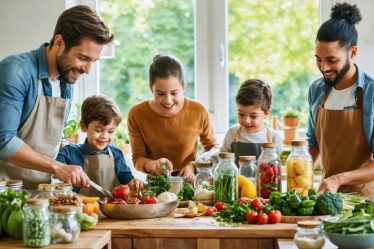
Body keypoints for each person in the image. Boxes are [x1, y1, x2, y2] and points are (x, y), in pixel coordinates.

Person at [0, 5, 114, 189]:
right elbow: (3, 141)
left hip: (39, 197)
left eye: (93, 61)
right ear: (59, 43)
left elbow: (51, 140)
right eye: (83, 58)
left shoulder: (66, 81)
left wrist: (74, 159)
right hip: (6, 195)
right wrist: (57, 167)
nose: (87, 70)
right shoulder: (16, 71)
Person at [306, 2, 374, 199]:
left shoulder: (370, 92)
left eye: (331, 60)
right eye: (318, 59)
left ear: (352, 53)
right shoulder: (317, 90)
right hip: (327, 198)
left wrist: (338, 179)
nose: (324, 67)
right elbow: (313, 144)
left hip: (365, 204)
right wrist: (300, 168)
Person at [127, 53, 219, 183]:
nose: (168, 100)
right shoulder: (137, 113)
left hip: (190, 184)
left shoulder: (198, 110)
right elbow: (138, 158)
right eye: (160, 94)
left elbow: (213, 148)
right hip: (156, 187)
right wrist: (152, 164)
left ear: (183, 87)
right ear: (151, 88)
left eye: (174, 93)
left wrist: (194, 165)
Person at [56, 95, 143, 197]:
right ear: (84, 126)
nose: (105, 136)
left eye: (110, 131)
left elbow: (127, 178)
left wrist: (133, 182)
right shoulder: (69, 152)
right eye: (98, 130)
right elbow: (55, 167)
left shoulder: (116, 154)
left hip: (110, 209)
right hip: (81, 210)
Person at [220, 79, 282, 165]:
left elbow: (276, 168)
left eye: (253, 116)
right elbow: (222, 161)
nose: (247, 121)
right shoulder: (232, 134)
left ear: (266, 113)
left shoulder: (274, 138)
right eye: (241, 114)